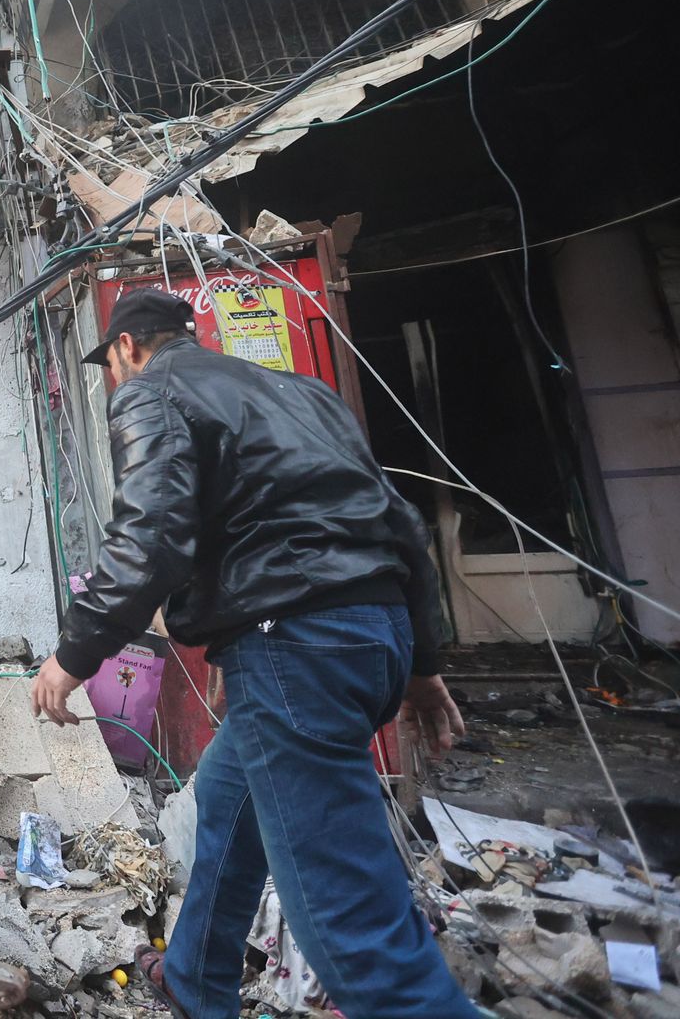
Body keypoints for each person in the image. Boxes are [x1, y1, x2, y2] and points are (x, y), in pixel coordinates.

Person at [30, 288, 477, 1018]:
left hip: (297, 646)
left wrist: (72, 656)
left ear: (128, 348)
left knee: (346, 923)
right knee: (230, 814)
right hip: (372, 634)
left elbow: (150, 540)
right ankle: (194, 977)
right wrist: (422, 665)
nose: (115, 378)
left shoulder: (151, 392)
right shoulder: (304, 394)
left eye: (111, 364)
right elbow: (400, 525)